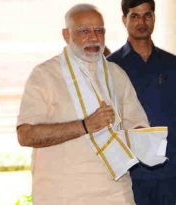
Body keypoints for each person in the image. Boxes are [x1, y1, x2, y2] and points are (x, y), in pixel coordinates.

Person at [16, 4, 153, 204]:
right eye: (84, 31)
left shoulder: (116, 73)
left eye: (99, 31)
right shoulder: (45, 74)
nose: (94, 37)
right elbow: (25, 135)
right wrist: (84, 126)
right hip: (62, 193)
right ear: (66, 34)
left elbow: (137, 123)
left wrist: (145, 139)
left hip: (116, 192)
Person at [107, 0, 176, 204]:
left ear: (154, 18)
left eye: (147, 15)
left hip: (171, 172)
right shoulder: (110, 67)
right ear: (124, 20)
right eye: (134, 16)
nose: (142, 21)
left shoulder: (172, 64)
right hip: (129, 174)